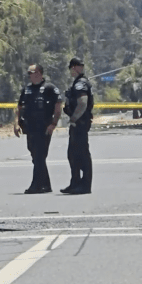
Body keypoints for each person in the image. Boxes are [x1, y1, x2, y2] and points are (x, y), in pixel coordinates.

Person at [15, 64, 63, 194]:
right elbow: (19, 107)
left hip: (44, 127)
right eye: (30, 73)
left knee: (39, 155)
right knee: (35, 155)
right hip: (30, 127)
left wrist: (53, 123)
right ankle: (46, 185)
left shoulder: (50, 88)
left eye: (34, 72)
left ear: (40, 73)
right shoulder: (26, 89)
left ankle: (36, 185)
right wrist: (16, 123)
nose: (32, 75)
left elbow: (58, 107)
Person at [62, 57, 93, 194]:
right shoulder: (77, 83)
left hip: (80, 123)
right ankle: (75, 183)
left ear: (73, 68)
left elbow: (82, 103)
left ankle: (84, 185)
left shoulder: (81, 84)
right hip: (77, 124)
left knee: (82, 154)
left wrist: (74, 118)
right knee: (72, 154)